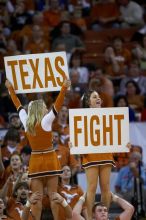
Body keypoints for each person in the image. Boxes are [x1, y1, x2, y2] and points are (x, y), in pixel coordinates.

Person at [5, 78, 71, 220]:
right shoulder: (46, 121)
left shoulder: (25, 121)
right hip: (50, 161)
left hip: (35, 163)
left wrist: (10, 88)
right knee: (54, 197)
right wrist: (64, 87)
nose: (47, 109)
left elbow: (17, 105)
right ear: (40, 110)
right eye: (44, 107)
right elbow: (58, 104)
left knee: (36, 199)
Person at [81, 90, 116, 220]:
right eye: (94, 97)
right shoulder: (81, 116)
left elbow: (116, 134)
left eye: (99, 97)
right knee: (91, 187)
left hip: (106, 153)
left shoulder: (108, 114)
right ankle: (90, 218)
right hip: (90, 154)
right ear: (87, 102)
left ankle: (104, 217)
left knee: (106, 187)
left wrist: (124, 143)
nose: (98, 99)